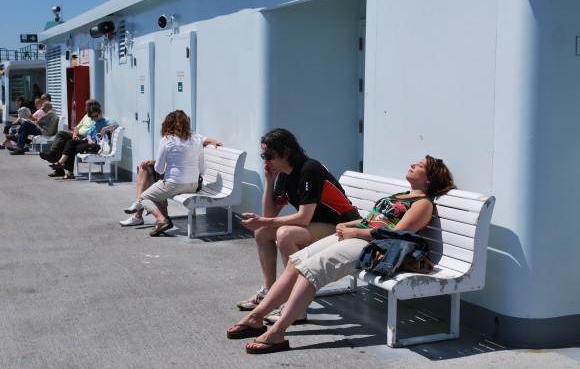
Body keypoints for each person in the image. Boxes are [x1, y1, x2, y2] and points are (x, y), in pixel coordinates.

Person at [226, 155, 456, 354]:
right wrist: (349, 225)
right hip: (356, 235)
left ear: (429, 179)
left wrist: (357, 231)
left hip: (372, 246)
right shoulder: (401, 195)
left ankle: (278, 332)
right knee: (296, 263)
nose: (413, 164)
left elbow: (396, 233)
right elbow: (372, 219)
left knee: (313, 270)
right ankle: (256, 317)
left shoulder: (423, 204)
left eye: (421, 165)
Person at [236, 128, 360, 316]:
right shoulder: (283, 174)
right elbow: (269, 214)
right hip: (318, 225)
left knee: (285, 234)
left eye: (269, 155)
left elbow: (304, 218)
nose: (266, 161)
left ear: (285, 151)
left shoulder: (309, 169)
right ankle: (270, 293)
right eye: (263, 156)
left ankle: (295, 305)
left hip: (342, 226)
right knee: (262, 232)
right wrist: (269, 181)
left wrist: (264, 221)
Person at [127, 110, 206, 237]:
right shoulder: (196, 140)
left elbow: (159, 169)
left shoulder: (167, 140)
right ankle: (162, 218)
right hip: (193, 185)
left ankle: (161, 220)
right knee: (158, 192)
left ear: (167, 124)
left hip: (174, 184)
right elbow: (203, 169)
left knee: (144, 197)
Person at [119, 134, 223, 227]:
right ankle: (139, 213)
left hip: (179, 182)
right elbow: (200, 158)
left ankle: (144, 212)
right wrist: (213, 141)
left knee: (153, 180)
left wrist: (212, 141)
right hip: (192, 182)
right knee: (145, 168)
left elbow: (159, 169)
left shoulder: (170, 139)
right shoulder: (194, 139)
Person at [49, 104, 118, 179]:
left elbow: (115, 125)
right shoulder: (94, 122)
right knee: (70, 142)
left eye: (96, 116)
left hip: (95, 145)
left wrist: (105, 128)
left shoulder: (105, 121)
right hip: (88, 141)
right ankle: (63, 165)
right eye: (92, 117)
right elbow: (89, 134)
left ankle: (64, 166)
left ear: (100, 113)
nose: (94, 118)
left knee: (70, 148)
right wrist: (90, 139)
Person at [40, 99, 99, 177]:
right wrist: (74, 135)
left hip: (84, 139)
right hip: (77, 136)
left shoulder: (97, 117)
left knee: (65, 142)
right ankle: (56, 160)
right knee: (62, 136)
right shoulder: (86, 116)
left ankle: (54, 157)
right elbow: (77, 127)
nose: (85, 108)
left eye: (86, 106)